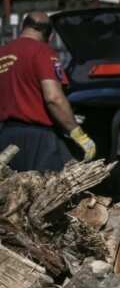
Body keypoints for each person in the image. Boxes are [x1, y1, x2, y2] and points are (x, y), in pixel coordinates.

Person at [0, 11, 96, 171]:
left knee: (12, 193)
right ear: (50, 36)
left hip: (5, 138)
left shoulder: (2, 53)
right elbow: (54, 98)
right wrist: (78, 134)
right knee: (55, 191)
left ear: (24, 27)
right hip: (39, 141)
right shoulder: (43, 52)